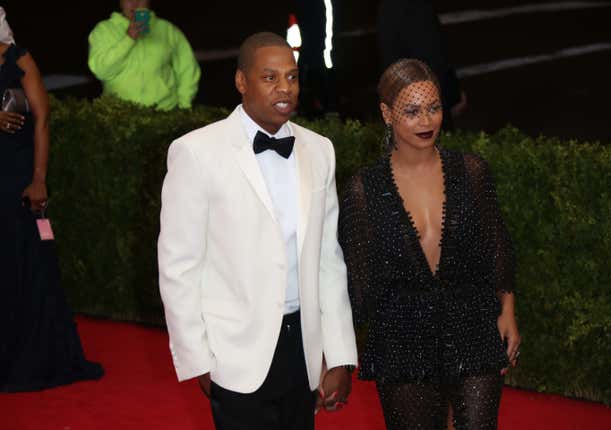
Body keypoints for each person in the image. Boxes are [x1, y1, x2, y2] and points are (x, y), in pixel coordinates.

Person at [158, 32, 357, 430]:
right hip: (234, 352)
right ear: (241, 81)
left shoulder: (319, 150)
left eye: (292, 77)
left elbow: (328, 261)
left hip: (303, 346)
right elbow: (178, 265)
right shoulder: (196, 152)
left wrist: (339, 355)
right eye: (270, 78)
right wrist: (197, 358)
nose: (285, 88)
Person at [338, 58, 521, 429]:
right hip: (403, 339)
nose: (426, 121)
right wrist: (333, 352)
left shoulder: (471, 171)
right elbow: (354, 282)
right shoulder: (364, 190)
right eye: (412, 111)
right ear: (387, 114)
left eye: (434, 108)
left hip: (473, 325)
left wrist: (508, 310)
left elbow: (496, 244)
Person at [0, 40, 104, 391]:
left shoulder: (17, 56)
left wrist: (39, 179)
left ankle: (36, 358)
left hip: (16, 174)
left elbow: (42, 117)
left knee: (30, 265)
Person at [88, 0, 200, 111]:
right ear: (121, 2)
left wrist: (184, 106)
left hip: (165, 110)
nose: (135, 3)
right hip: (119, 112)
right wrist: (129, 38)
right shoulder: (103, 30)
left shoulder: (167, 29)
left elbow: (188, 69)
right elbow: (101, 71)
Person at [377, 0, 467, 130]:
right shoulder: (414, 6)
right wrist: (452, 96)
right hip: (422, 111)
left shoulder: (390, 6)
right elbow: (432, 57)